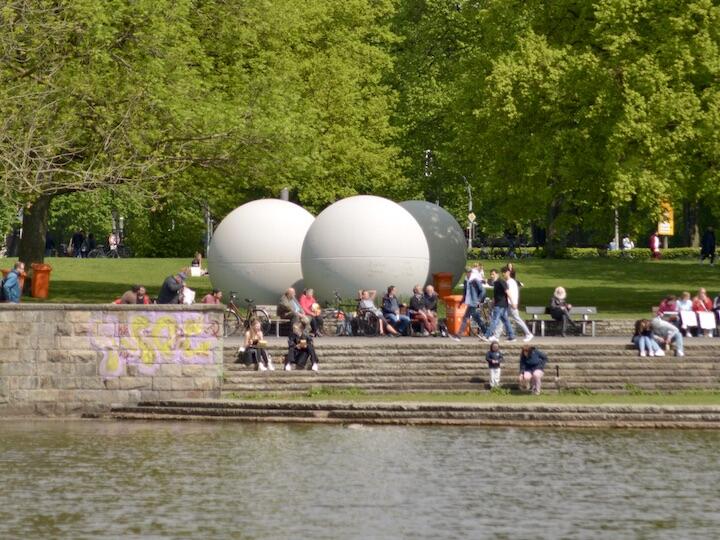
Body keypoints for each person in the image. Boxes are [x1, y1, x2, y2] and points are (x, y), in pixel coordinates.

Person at [481, 267, 515, 343]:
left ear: (497, 274)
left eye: (493, 274)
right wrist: (492, 303)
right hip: (500, 304)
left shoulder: (501, 282)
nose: (492, 276)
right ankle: (512, 336)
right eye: (491, 274)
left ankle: (487, 335)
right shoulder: (496, 283)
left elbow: (507, 292)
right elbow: (496, 295)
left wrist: (512, 302)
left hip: (501, 305)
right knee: (505, 321)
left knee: (494, 320)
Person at [452, 267, 486, 340]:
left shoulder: (474, 280)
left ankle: (458, 336)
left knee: (466, 318)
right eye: (467, 272)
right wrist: (461, 302)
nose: (468, 273)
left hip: (473, 302)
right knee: (476, 319)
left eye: (469, 272)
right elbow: (465, 292)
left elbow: (483, 290)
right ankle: (487, 333)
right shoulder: (466, 280)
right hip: (470, 302)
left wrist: (478, 300)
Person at [506, 269, 533, 342]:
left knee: (517, 319)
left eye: (505, 272)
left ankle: (528, 334)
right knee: (504, 319)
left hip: (511, 304)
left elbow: (512, 293)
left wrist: (513, 303)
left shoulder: (510, 282)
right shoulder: (510, 282)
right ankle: (511, 336)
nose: (503, 274)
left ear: (509, 273)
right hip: (509, 304)